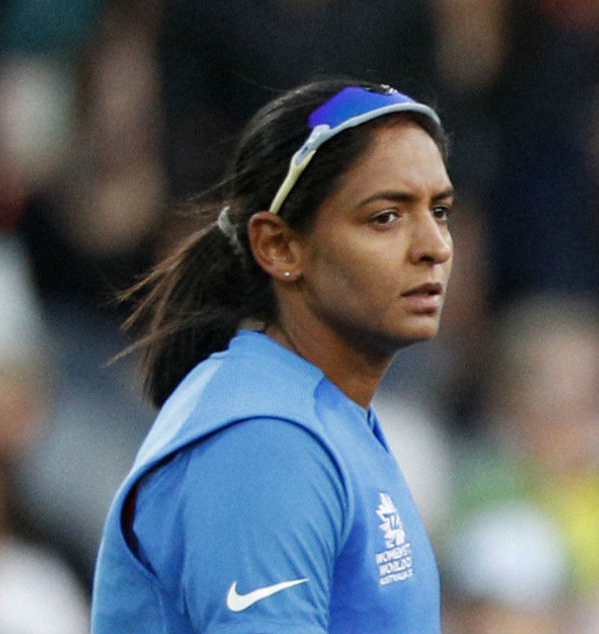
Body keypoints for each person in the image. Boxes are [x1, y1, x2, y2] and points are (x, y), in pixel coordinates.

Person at [91, 79, 454, 634]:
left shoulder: (317, 415)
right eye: (386, 216)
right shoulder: (263, 445)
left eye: (441, 211)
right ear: (278, 246)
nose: (435, 246)